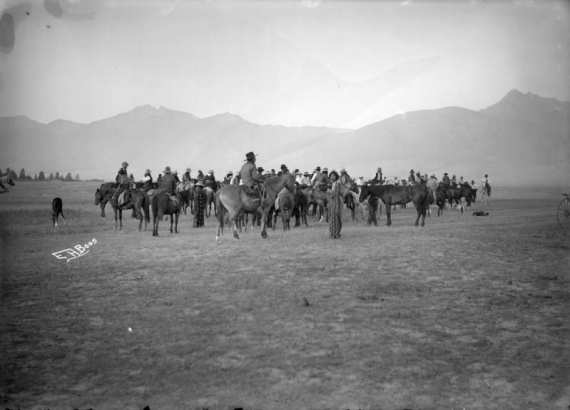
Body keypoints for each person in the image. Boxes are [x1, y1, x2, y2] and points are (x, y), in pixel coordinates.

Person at [327, 170, 343, 239]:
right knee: (333, 217)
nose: (332, 177)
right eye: (331, 176)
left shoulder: (337, 184)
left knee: (335, 217)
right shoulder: (333, 183)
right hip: (333, 202)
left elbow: (334, 194)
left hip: (336, 202)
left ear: (336, 176)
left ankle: (335, 233)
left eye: (333, 176)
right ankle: (334, 233)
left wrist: (328, 191)